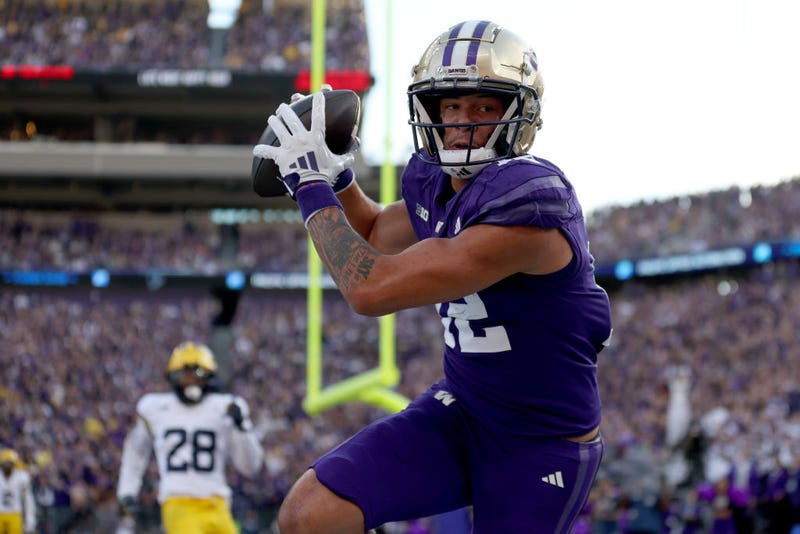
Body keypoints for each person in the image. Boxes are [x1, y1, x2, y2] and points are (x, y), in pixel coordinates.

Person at [254, 19, 613, 533]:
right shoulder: (433, 181)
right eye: (450, 106)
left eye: (484, 107)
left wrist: (310, 185)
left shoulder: (531, 202)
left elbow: (370, 287)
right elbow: (377, 231)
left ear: (519, 115)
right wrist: (337, 177)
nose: (462, 122)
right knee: (310, 515)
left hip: (540, 442)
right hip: (461, 411)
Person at [116, 341, 264, 534]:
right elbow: (135, 452)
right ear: (173, 376)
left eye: (198, 375)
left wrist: (242, 428)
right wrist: (127, 492)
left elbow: (250, 466)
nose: (191, 381)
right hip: (178, 501)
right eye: (185, 375)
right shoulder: (154, 408)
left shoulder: (226, 406)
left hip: (218, 503)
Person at [0, 448, 36, 534]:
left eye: (10, 463)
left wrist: (30, 519)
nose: (7, 466)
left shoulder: (21, 477)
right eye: (6, 463)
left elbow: (28, 500)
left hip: (15, 512)